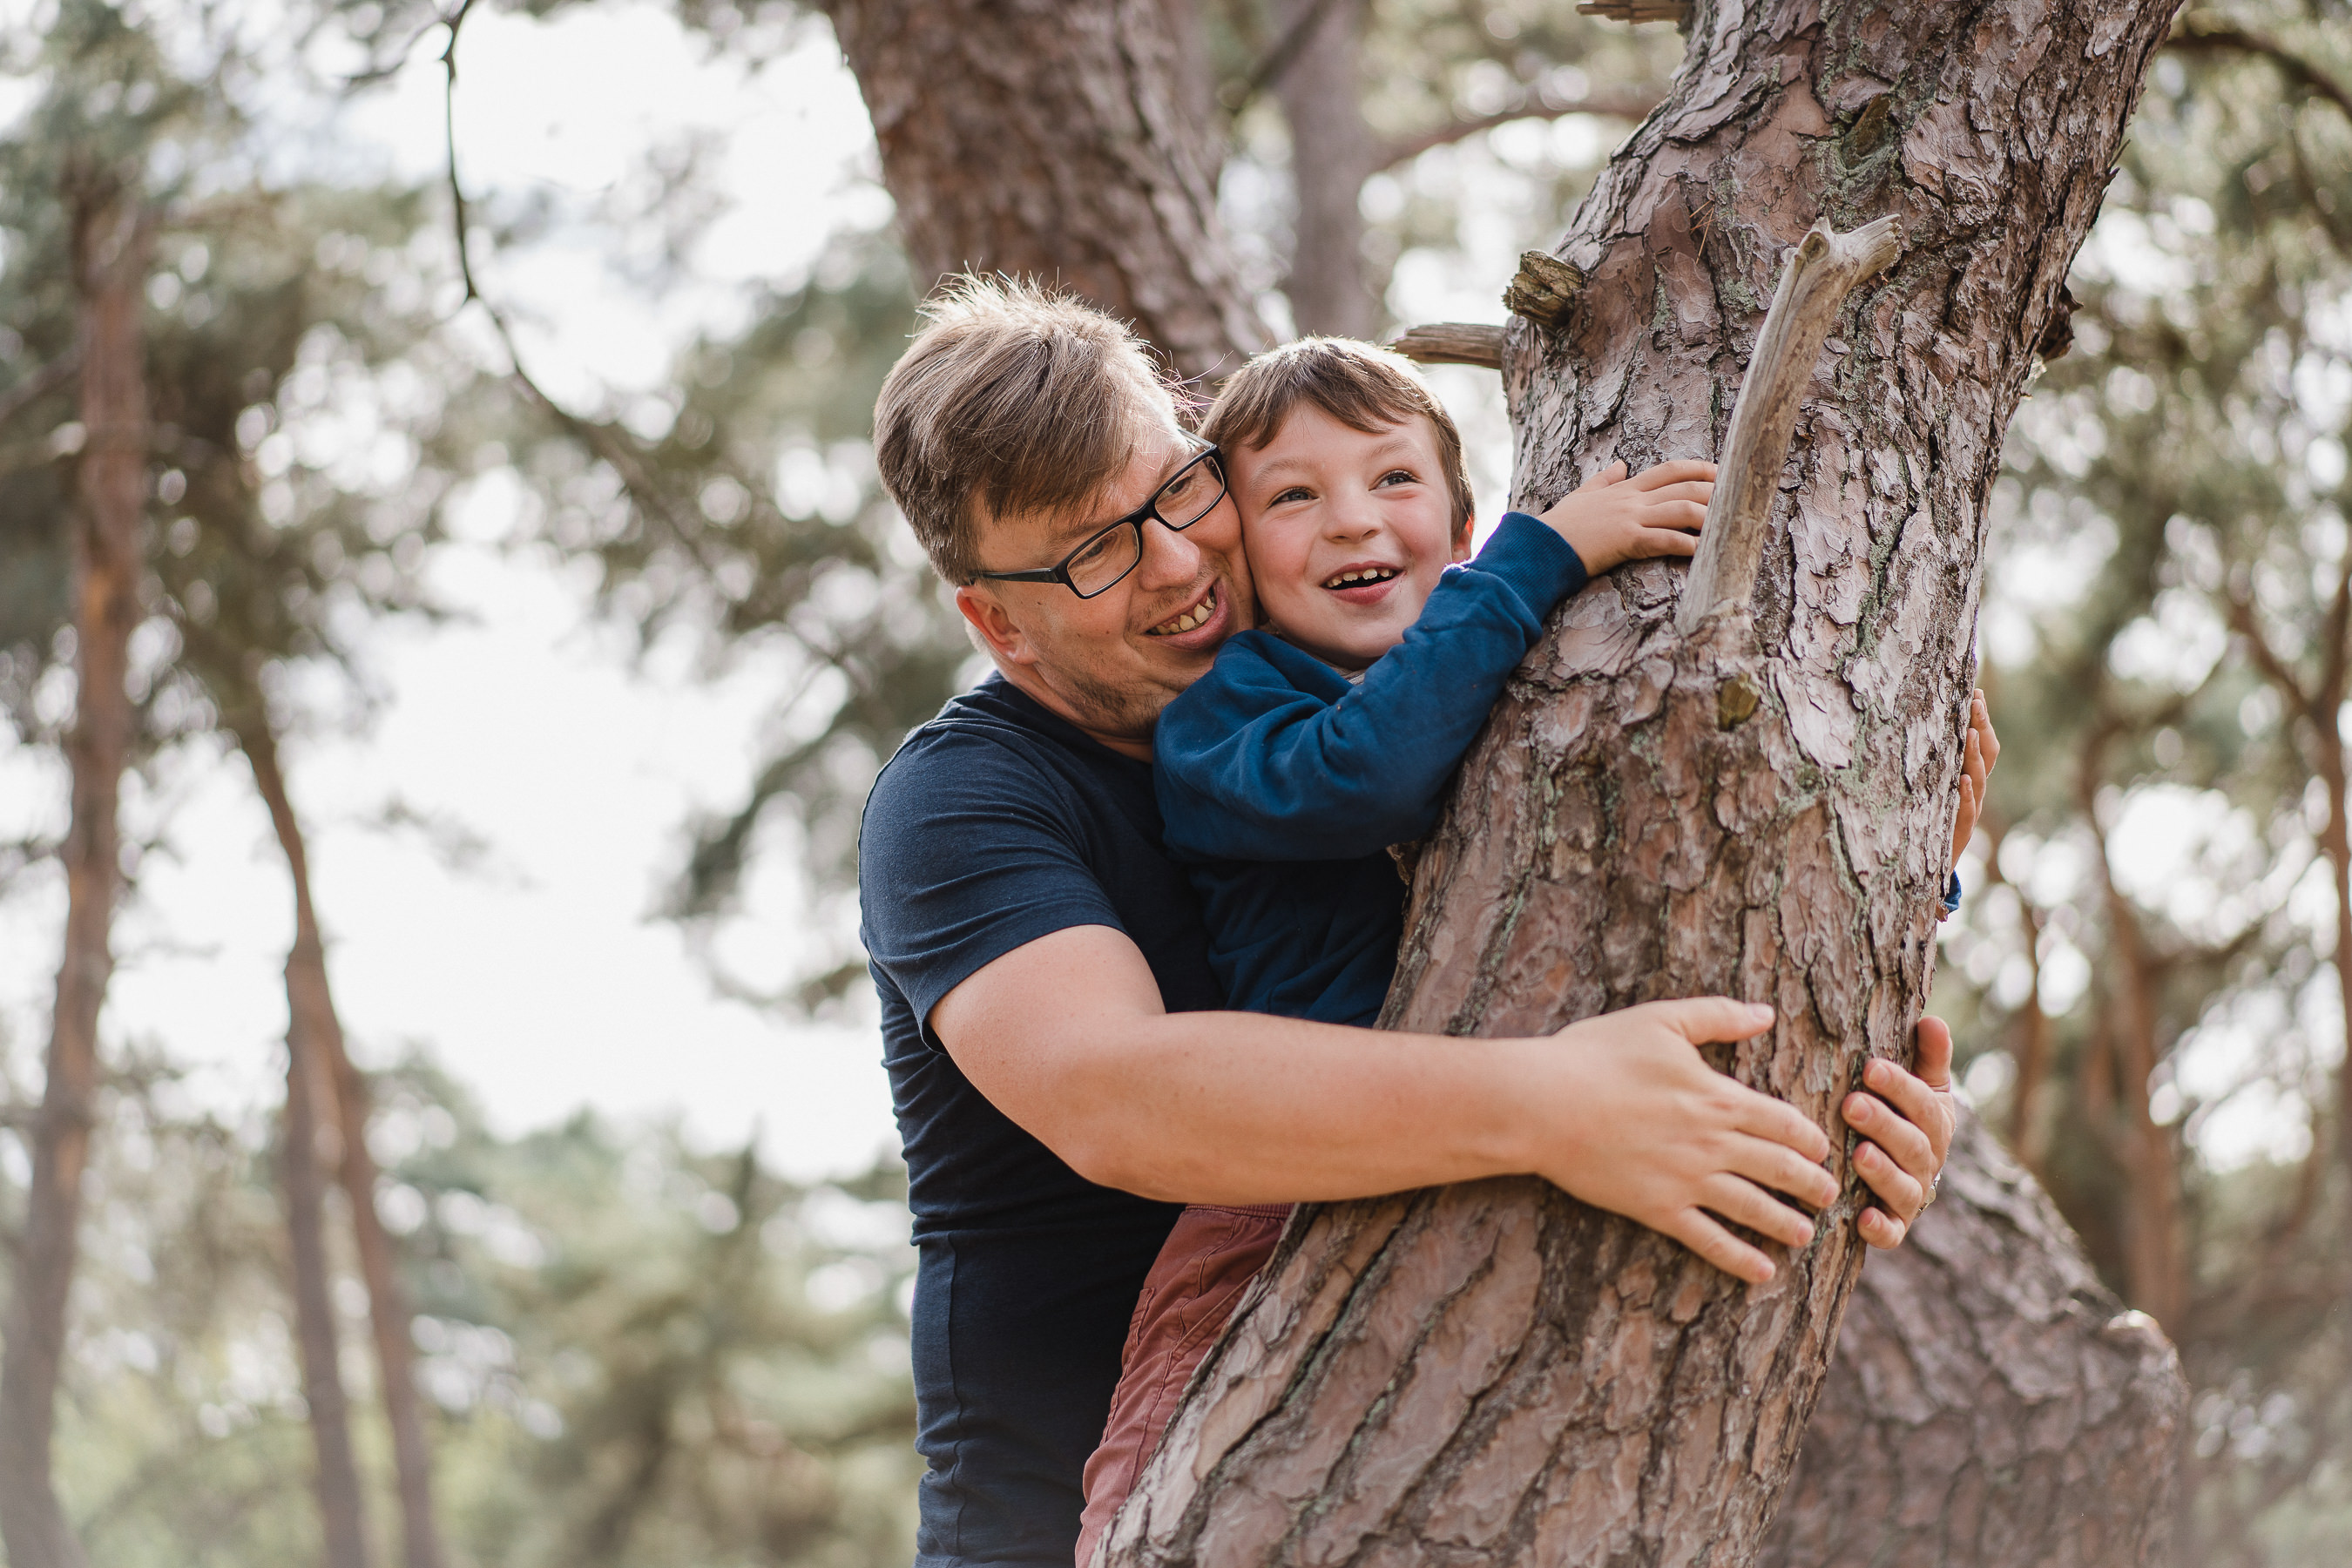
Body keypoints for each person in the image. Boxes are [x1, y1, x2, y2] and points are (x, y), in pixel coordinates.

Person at [855, 278, 1963, 1568]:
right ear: (999, 621)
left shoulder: (1395, 676)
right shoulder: (957, 803)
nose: (1172, 562)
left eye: (1176, 490)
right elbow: (1118, 1096)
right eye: (1093, 553)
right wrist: (1557, 1106)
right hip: (1069, 1524)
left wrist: (1838, 1093)